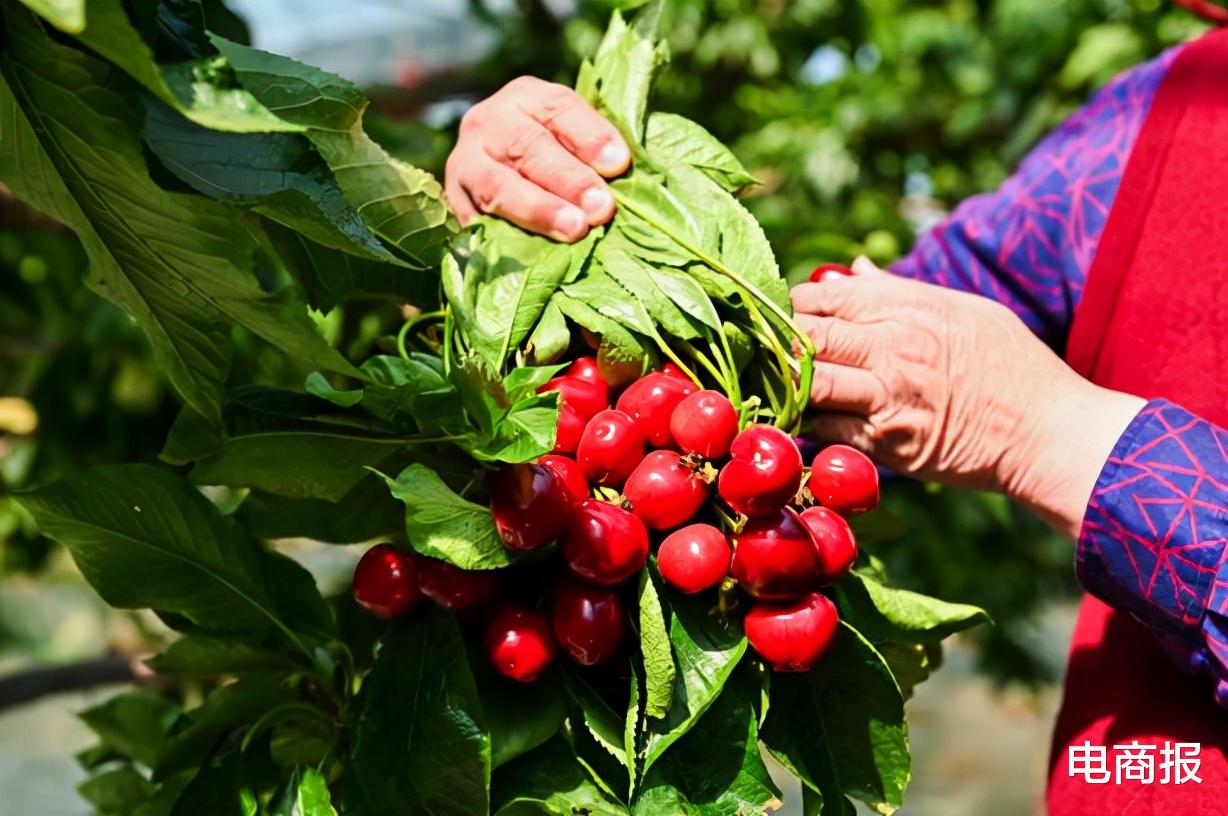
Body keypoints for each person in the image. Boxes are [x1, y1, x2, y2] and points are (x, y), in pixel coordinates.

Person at [443, 24, 1228, 815]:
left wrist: (1056, 437)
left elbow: (994, 402)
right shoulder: (1173, 103)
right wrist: (543, 242)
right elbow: (910, 334)